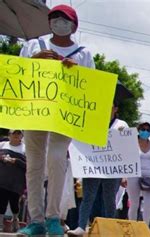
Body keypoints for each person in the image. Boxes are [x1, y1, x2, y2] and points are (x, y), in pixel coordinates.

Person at [18, 4, 95, 236]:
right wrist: (36, 60)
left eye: (65, 19)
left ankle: (53, 217)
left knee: (56, 159)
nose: (60, 22)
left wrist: (75, 72)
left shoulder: (83, 53)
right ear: (49, 21)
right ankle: (36, 220)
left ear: (74, 25)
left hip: (65, 116)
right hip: (35, 111)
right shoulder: (33, 45)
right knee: (34, 165)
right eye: (56, 18)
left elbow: (90, 86)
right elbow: (19, 73)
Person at [67, 103, 128, 235]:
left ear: (116, 108)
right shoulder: (93, 123)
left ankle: (109, 227)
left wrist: (124, 174)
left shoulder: (121, 125)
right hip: (93, 166)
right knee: (88, 196)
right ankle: (81, 226)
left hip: (113, 168)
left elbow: (126, 148)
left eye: (111, 105)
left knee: (110, 198)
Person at [128, 122, 150, 225]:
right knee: (134, 203)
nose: (145, 132)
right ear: (138, 130)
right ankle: (132, 225)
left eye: (148, 130)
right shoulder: (131, 144)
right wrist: (124, 176)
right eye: (143, 129)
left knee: (148, 204)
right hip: (133, 175)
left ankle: (145, 227)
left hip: (148, 177)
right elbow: (126, 160)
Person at [0, 130, 26, 232]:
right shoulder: (2, 145)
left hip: (17, 183)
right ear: (9, 135)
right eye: (13, 133)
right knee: (1, 201)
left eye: (18, 133)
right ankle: (0, 223)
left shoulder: (25, 148)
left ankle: (15, 220)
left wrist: (16, 161)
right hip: (2, 180)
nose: (16, 135)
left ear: (21, 136)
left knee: (14, 203)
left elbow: (28, 165)